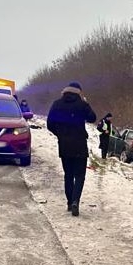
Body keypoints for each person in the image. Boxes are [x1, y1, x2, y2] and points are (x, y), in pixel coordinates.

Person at [47, 81, 97, 216]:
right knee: (80, 176)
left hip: (64, 145)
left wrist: (61, 134)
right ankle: (75, 201)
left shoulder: (57, 104)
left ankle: (70, 203)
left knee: (68, 175)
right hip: (80, 144)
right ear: (79, 92)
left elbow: (49, 123)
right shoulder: (82, 104)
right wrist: (86, 104)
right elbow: (93, 118)